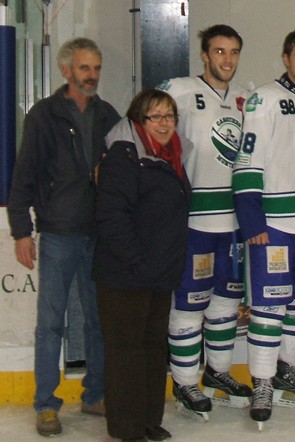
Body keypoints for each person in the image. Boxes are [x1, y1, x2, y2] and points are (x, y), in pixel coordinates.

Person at [7, 37, 120, 437]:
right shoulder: (44, 115)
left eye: (96, 68)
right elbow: (23, 177)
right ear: (66, 70)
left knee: (98, 320)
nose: (92, 75)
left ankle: (95, 395)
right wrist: (22, 231)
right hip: (57, 233)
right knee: (51, 322)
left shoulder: (108, 115)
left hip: (98, 235)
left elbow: (123, 171)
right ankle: (45, 405)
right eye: (84, 68)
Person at [232, 27, 295, 428]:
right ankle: (261, 381)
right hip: (273, 223)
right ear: (286, 58)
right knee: (269, 306)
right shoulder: (264, 99)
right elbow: (247, 159)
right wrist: (251, 219)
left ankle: (285, 370)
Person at [157, 24, 251, 415]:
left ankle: (217, 373)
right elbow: (145, 128)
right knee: (188, 305)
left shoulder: (247, 98)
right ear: (204, 54)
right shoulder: (178, 90)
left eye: (233, 52)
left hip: (233, 224)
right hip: (193, 221)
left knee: (226, 305)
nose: (227, 59)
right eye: (219, 51)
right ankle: (183, 382)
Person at [93, 89, 191, 441]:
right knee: (126, 353)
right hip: (125, 276)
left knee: (152, 349)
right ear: (139, 120)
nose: (164, 123)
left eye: (169, 116)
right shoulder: (125, 156)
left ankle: (149, 419)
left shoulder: (173, 156)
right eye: (155, 116)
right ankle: (127, 427)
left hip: (158, 274)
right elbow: (112, 216)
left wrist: (165, 266)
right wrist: (135, 261)